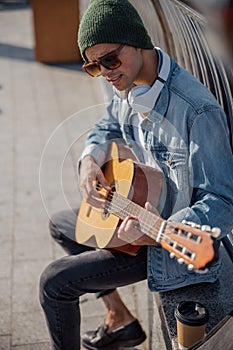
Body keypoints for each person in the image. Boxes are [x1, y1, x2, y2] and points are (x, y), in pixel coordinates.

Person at [39, 1, 233, 350]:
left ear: (137, 41)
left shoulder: (197, 111)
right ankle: (120, 318)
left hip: (163, 243)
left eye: (110, 60)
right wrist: (88, 160)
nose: (106, 72)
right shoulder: (128, 84)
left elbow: (221, 202)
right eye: (93, 66)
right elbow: (108, 125)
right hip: (134, 216)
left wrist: (155, 234)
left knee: (54, 282)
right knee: (61, 225)